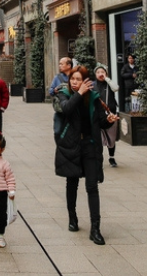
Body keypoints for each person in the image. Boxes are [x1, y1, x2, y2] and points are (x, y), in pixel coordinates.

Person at [54, 66, 117, 245]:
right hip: (71, 146)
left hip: (90, 145)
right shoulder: (63, 93)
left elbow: (99, 121)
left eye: (78, 79)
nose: (74, 82)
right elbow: (66, 109)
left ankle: (95, 229)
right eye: (72, 79)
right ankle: (72, 218)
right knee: (72, 182)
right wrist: (79, 93)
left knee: (92, 186)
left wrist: (108, 121)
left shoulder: (93, 97)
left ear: (85, 81)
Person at [94, 64, 119, 167]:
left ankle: (111, 157)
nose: (100, 74)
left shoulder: (109, 84)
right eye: (98, 72)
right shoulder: (93, 85)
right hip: (97, 115)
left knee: (111, 137)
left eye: (102, 72)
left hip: (110, 114)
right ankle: (98, 158)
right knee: (97, 138)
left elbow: (116, 88)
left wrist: (107, 79)